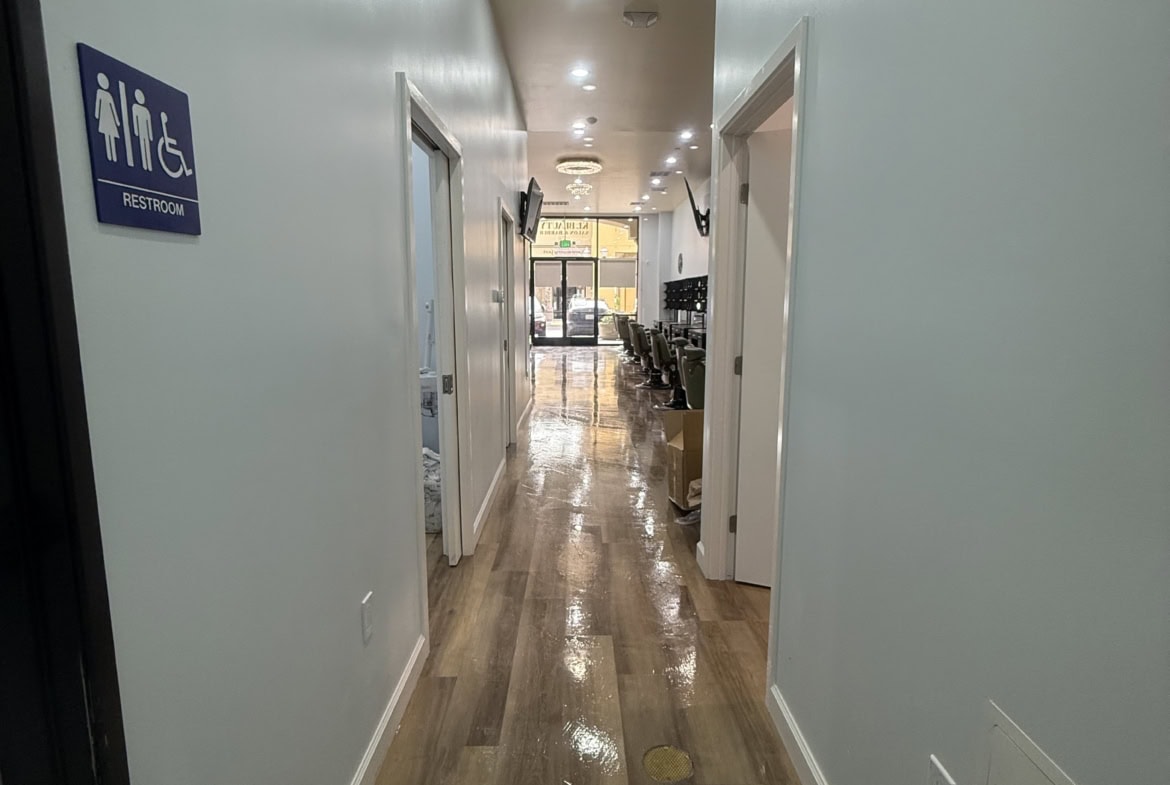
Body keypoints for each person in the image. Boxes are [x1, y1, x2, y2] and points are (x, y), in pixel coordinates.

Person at [94, 73, 120, 162]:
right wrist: (97, 116)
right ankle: (109, 156)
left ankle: (113, 156)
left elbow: (113, 108)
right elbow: (97, 105)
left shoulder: (109, 95)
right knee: (106, 136)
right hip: (104, 118)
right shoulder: (100, 93)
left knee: (111, 136)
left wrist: (117, 121)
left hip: (110, 119)